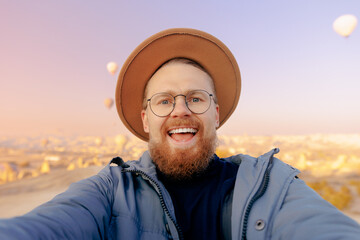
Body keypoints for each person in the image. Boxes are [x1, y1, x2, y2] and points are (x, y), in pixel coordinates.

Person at [0, 28, 359, 240]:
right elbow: (47, 225)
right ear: (145, 120)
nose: (180, 109)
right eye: (164, 100)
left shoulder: (270, 184)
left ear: (216, 114)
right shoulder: (110, 190)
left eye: (196, 98)